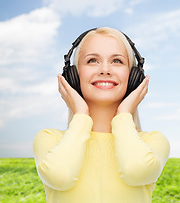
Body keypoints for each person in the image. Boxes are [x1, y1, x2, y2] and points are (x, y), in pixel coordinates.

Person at [33, 27, 170, 203]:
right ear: (73, 76)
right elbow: (61, 176)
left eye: (117, 61)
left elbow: (136, 170)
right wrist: (81, 115)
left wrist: (123, 114)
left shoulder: (152, 142)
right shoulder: (49, 139)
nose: (105, 69)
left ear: (134, 77)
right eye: (92, 60)